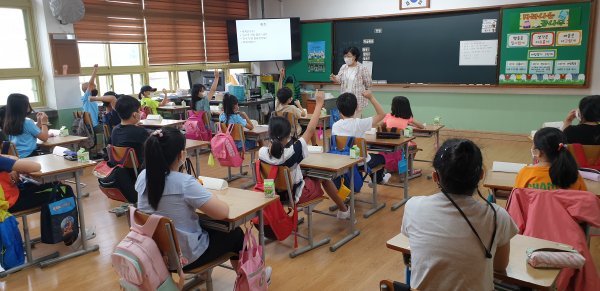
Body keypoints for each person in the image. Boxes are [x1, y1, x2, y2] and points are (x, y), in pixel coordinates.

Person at [135, 127, 262, 275]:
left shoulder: (143, 176)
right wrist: (208, 194)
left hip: (155, 253)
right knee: (236, 234)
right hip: (185, 258)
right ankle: (251, 279)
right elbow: (223, 212)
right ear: (181, 155)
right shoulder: (184, 183)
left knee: (206, 225)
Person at [402, 139, 518, 290]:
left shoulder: (413, 206)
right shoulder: (497, 216)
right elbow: (500, 266)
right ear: (481, 175)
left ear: (436, 177)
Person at [259, 92, 351, 219]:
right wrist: (319, 104)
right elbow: (310, 130)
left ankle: (339, 209)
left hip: (274, 195)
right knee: (322, 175)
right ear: (287, 136)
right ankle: (343, 210)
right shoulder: (291, 153)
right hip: (296, 195)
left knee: (306, 173)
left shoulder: (262, 153)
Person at [332, 91, 389, 184]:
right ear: (357, 108)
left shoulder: (335, 125)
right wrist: (371, 97)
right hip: (360, 163)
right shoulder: (360, 123)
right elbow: (382, 114)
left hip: (343, 162)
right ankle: (378, 180)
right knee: (380, 158)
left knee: (370, 158)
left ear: (339, 110)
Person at [515, 127, 587, 191]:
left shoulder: (526, 173)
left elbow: (516, 200)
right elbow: (583, 201)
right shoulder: (574, 175)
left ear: (538, 152)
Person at [381, 96, 425, 175]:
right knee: (413, 145)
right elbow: (422, 126)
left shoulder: (388, 116)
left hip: (387, 144)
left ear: (393, 106)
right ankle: (408, 169)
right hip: (402, 145)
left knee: (398, 149)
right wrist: (409, 124)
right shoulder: (408, 118)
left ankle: (389, 167)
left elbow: (382, 126)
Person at [330, 46, 372, 117]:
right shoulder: (343, 67)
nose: (346, 58)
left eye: (348, 56)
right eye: (345, 56)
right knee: (345, 122)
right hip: (344, 100)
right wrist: (335, 78)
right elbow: (339, 78)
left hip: (357, 100)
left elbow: (369, 83)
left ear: (354, 56)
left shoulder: (362, 68)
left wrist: (365, 90)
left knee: (355, 122)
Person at [111, 95, 150, 166]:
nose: (140, 113)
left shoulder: (115, 130)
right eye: (139, 111)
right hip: (140, 171)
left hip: (121, 170)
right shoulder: (140, 132)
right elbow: (152, 147)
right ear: (135, 114)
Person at [81, 64, 118, 130]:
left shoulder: (90, 99)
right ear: (88, 90)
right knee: (110, 126)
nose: (96, 89)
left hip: (94, 124)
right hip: (94, 126)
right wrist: (95, 70)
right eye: (94, 88)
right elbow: (90, 84)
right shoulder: (87, 97)